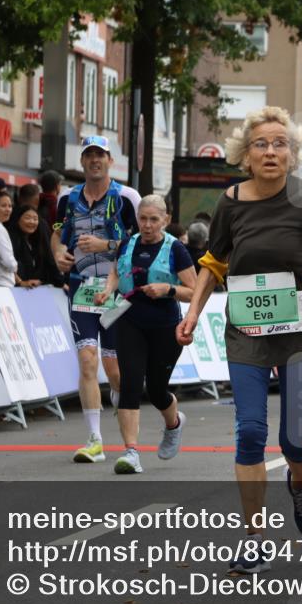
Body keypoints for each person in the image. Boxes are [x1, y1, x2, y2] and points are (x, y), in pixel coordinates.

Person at [177, 106, 302, 574]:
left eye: (280, 143)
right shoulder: (230, 202)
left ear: (293, 153)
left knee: (294, 438)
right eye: (261, 144)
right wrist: (192, 313)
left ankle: (300, 484)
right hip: (248, 329)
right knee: (250, 431)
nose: (271, 152)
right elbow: (213, 262)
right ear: (245, 154)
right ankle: (255, 539)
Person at [92, 195, 197, 474]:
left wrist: (168, 289)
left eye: (153, 219)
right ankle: (131, 452)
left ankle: (174, 424)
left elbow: (194, 291)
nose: (147, 225)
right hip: (130, 320)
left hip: (165, 325)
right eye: (143, 219)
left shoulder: (176, 249)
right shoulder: (128, 243)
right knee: (130, 384)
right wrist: (107, 290)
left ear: (165, 220)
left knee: (157, 390)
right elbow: (116, 271)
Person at [52, 136, 139, 463]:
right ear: (82, 161)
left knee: (114, 369)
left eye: (100, 155)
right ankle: (94, 440)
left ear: (110, 160)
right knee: (87, 359)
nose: (94, 160)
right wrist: (58, 253)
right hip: (81, 289)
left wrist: (106, 246)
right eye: (89, 155)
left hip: (116, 291)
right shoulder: (67, 197)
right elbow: (57, 234)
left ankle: (125, 419)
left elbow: (142, 242)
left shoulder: (127, 197)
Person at [8, 204, 65, 288]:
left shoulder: (38, 241)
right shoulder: (10, 240)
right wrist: (20, 282)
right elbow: (7, 265)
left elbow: (50, 262)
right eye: (27, 218)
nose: (32, 222)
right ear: (18, 219)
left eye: (35, 219)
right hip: (15, 288)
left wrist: (61, 284)